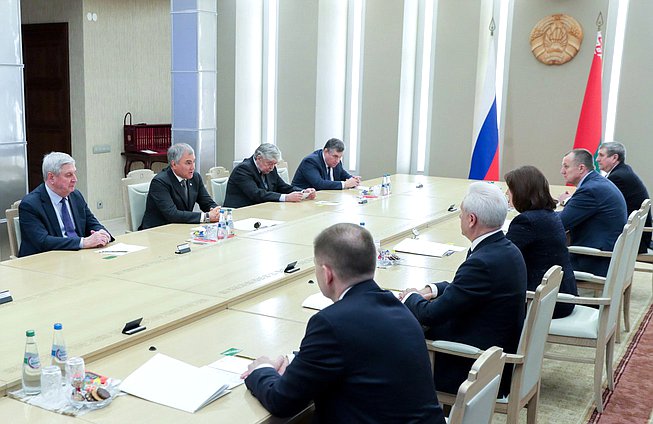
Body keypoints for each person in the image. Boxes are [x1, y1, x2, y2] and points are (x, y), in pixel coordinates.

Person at [242, 223, 445, 423]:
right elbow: (360, 355)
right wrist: (298, 365)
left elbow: (282, 402)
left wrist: (262, 370)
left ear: (327, 273)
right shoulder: (398, 307)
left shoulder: (329, 323)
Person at [399, 182, 526, 397]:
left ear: (471, 219)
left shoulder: (482, 262)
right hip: (495, 348)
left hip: (474, 364)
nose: (459, 217)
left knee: (400, 334)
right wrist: (433, 289)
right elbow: (469, 290)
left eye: (461, 213)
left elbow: (431, 315)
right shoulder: (505, 248)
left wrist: (409, 297)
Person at [504, 165, 578, 318]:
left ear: (521, 192)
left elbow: (501, 257)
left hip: (545, 302)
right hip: (561, 294)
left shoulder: (526, 221)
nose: (506, 194)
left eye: (509, 189)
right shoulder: (548, 215)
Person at [18, 152, 113, 257]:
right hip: (46, 261)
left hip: (78, 256)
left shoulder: (76, 196)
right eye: (69, 175)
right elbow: (42, 241)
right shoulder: (30, 205)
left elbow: (92, 223)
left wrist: (102, 234)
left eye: (74, 173)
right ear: (51, 178)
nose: (75, 179)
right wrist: (83, 242)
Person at [558, 149, 627, 276]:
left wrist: (538, 216)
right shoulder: (595, 183)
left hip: (594, 259)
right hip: (605, 253)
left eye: (566, 167)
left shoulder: (590, 190)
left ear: (581, 168)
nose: (562, 171)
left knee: (539, 261)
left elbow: (560, 223)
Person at [140, 143, 219, 230]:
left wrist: (216, 211)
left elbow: (207, 202)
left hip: (182, 228)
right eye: (188, 163)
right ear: (174, 164)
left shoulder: (195, 178)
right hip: (158, 231)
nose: (193, 167)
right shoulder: (160, 182)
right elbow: (172, 214)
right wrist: (206, 217)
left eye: (193, 162)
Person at [597, 141, 652, 253]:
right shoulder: (622, 171)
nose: (597, 159)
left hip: (633, 240)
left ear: (614, 157)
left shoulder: (618, 177)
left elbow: (598, 204)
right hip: (636, 235)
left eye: (601, 155)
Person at [224, 143, 316, 208]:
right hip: (241, 212)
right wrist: (286, 197)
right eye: (269, 163)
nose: (272, 167)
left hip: (262, 209)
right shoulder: (243, 169)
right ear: (259, 158)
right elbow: (256, 194)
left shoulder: (271, 168)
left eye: (274, 164)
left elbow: (283, 187)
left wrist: (303, 192)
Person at [291, 138, 361, 190]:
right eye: (335, 156)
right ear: (326, 151)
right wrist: (345, 184)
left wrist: (353, 179)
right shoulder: (310, 161)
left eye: (340, 157)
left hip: (324, 198)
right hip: (302, 200)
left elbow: (342, 174)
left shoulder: (336, 161)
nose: (337, 160)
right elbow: (319, 184)